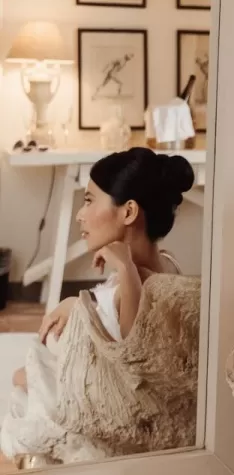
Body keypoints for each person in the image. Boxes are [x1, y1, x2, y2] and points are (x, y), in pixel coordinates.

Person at [17, 151, 194, 381]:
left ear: (128, 212)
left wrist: (124, 266)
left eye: (89, 200)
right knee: (22, 375)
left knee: (20, 378)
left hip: (92, 393)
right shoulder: (167, 263)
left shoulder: (132, 280)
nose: (80, 215)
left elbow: (131, 354)